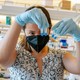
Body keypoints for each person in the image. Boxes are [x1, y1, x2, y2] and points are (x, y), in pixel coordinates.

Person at [0, 6, 80, 80]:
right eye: (31, 33)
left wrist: (78, 36)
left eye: (42, 32)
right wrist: (18, 22)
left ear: (49, 29)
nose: (37, 37)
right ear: (24, 31)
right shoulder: (16, 54)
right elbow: (2, 59)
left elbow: (78, 68)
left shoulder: (59, 56)